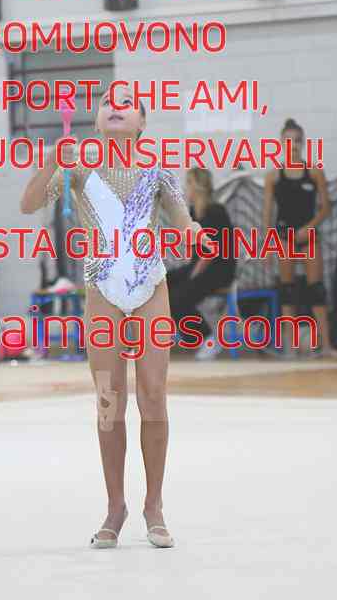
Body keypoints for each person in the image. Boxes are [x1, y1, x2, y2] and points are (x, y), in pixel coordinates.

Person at [20, 84, 212, 549]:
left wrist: (194, 233)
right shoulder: (78, 167)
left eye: (128, 103)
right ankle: (115, 506)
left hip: (149, 288)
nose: (116, 107)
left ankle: (154, 505)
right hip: (102, 289)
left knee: (153, 396)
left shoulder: (158, 171)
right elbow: (28, 205)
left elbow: (181, 220)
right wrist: (51, 159)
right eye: (108, 102)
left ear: (142, 122)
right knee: (109, 400)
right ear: (97, 120)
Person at [263, 118, 337, 357]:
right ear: (281, 143)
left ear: (303, 143)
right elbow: (267, 214)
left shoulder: (314, 172)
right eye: (288, 141)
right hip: (285, 238)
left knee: (316, 289)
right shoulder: (273, 176)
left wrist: (309, 227)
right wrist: (268, 245)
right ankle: (291, 347)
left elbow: (326, 208)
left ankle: (326, 346)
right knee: (287, 290)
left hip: (308, 237)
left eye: (297, 141)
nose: (293, 145)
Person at [166, 168, 235, 357]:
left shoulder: (216, 212)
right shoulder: (192, 212)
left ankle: (208, 337)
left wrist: (192, 277)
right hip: (199, 265)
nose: (185, 188)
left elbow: (211, 253)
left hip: (219, 269)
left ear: (197, 187)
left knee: (177, 297)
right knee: (163, 282)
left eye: (188, 183)